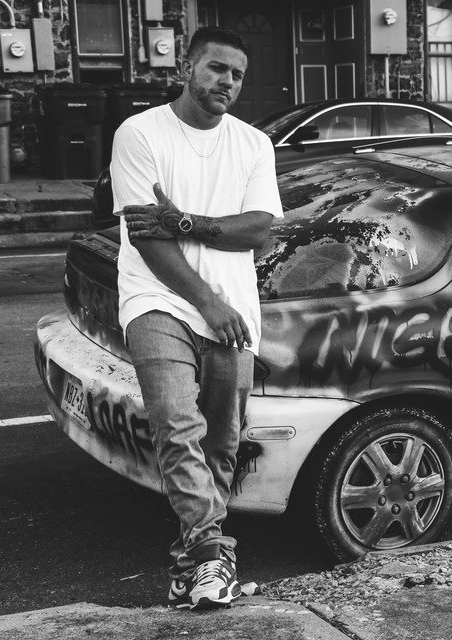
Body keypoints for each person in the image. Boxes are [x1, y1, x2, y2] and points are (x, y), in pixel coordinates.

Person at [110, 26, 283, 611]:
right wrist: (207, 300)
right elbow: (146, 236)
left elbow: (257, 229)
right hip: (157, 300)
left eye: (237, 75)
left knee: (221, 444)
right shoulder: (140, 133)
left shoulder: (254, 145)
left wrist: (184, 222)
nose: (226, 82)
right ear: (186, 68)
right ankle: (214, 554)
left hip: (234, 312)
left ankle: (191, 570)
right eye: (216, 68)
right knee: (177, 426)